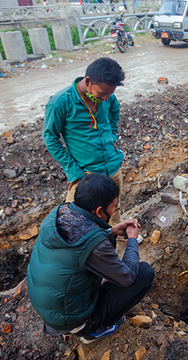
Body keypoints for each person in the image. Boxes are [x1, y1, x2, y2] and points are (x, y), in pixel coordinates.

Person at [26, 173, 155, 343]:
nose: (115, 210)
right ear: (100, 211)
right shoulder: (95, 245)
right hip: (70, 319)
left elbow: (81, 240)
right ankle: (91, 331)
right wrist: (132, 239)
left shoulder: (59, 213)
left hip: (50, 307)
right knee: (144, 273)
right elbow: (127, 277)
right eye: (113, 206)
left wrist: (110, 231)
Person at [43, 57, 126, 226]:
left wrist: (112, 136)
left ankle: (113, 241)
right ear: (87, 81)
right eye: (102, 93)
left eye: (110, 94)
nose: (105, 98)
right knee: (74, 220)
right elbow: (50, 137)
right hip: (86, 175)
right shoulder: (61, 102)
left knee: (113, 208)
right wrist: (72, 170)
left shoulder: (107, 96)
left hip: (112, 167)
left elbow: (114, 110)